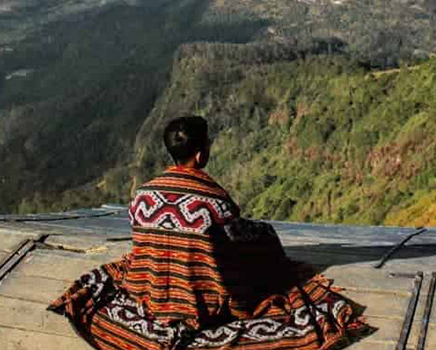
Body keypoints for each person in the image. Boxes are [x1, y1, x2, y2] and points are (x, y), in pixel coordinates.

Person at [49, 115, 367, 350]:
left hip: (152, 286)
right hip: (203, 299)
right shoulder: (215, 201)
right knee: (262, 242)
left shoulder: (143, 195)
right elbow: (239, 238)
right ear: (201, 155)